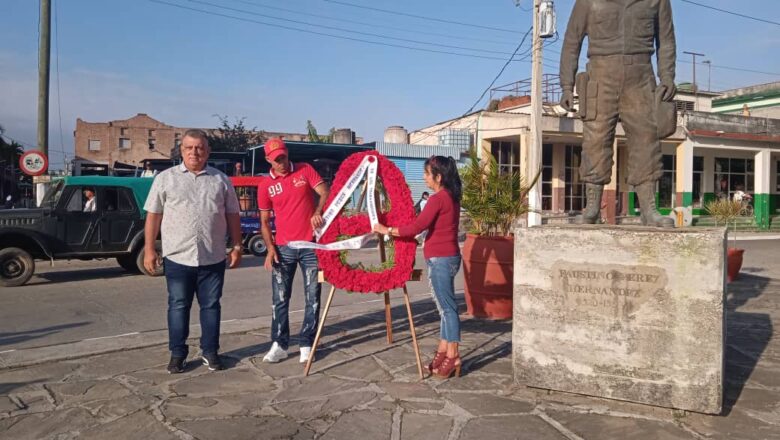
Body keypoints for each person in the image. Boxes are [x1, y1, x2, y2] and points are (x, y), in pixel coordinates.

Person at [559, 0, 676, 227]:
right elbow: (571, 42)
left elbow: (667, 40)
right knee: (595, 139)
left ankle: (648, 209)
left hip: (641, 77)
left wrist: (668, 76)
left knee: (646, 140)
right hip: (601, 76)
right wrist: (566, 84)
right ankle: (592, 207)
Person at [143, 129, 243, 374]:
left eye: (199, 148)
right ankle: (178, 354)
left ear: (207, 151)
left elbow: (232, 215)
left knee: (211, 306)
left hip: (212, 255)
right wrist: (149, 250)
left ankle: (210, 351)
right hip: (178, 256)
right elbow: (154, 215)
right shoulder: (165, 179)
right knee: (178, 306)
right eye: (189, 148)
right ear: (182, 151)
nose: (194, 152)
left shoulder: (221, 180)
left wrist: (237, 246)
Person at [373, 156, 463, 379]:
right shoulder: (451, 196)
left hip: (441, 259)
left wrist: (387, 230)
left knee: (447, 309)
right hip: (448, 257)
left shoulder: (437, 199)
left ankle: (453, 355)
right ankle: (443, 351)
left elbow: (416, 227)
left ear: (438, 177)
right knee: (445, 309)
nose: (424, 177)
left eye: (426, 173)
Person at [258, 138, 329, 364]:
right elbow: (264, 221)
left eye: (284, 157)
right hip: (284, 248)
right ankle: (279, 343)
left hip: (310, 246)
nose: (281, 162)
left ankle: (307, 343)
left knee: (313, 297)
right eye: (276, 159)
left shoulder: (305, 170)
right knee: (280, 298)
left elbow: (324, 191)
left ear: (288, 153)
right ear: (268, 159)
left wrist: (318, 210)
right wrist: (270, 248)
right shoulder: (265, 186)